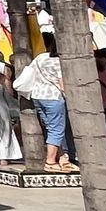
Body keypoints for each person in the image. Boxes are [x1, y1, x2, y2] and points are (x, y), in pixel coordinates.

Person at [21, 34, 77, 172]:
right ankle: (50, 161)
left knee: (50, 128)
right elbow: (62, 84)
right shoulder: (59, 62)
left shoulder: (41, 57)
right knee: (57, 130)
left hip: (38, 95)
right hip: (53, 97)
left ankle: (62, 157)